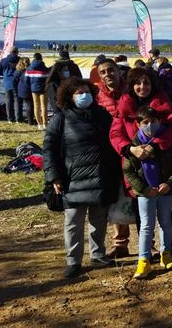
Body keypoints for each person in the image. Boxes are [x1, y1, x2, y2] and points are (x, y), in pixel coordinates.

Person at [43, 78, 120, 278]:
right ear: (69, 96)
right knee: (73, 222)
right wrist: (54, 176)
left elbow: (114, 141)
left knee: (99, 219)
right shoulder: (60, 119)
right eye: (78, 92)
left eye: (87, 91)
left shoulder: (102, 115)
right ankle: (73, 261)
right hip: (72, 179)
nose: (84, 95)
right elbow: (49, 149)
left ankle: (98, 254)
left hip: (100, 176)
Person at [110, 67, 172, 260]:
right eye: (138, 83)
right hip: (136, 166)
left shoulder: (163, 103)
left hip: (162, 168)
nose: (142, 86)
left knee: (164, 217)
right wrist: (129, 149)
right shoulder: (124, 106)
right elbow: (116, 133)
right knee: (142, 214)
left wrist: (158, 145)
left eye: (146, 83)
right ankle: (146, 250)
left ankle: (167, 251)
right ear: (131, 85)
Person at [123, 106, 172, 279]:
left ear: (159, 122)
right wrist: (143, 189)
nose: (150, 125)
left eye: (154, 121)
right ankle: (144, 260)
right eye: (145, 122)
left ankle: (166, 254)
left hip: (164, 191)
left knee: (166, 223)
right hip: (145, 194)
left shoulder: (167, 142)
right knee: (146, 226)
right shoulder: (134, 145)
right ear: (138, 124)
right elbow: (128, 171)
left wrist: (169, 184)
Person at [94, 59, 131, 258]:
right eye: (103, 72)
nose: (108, 74)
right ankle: (120, 244)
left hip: (132, 154)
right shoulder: (97, 96)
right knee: (116, 200)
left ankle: (148, 241)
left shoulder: (130, 91)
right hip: (109, 155)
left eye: (110, 70)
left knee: (137, 197)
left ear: (118, 71)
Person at [27, 53, 50, 129]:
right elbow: (48, 78)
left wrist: (31, 86)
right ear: (41, 58)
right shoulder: (44, 68)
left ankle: (39, 124)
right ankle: (45, 123)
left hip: (34, 89)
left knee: (36, 106)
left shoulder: (29, 68)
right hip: (43, 89)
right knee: (44, 106)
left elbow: (26, 80)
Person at [0, 47, 20, 122]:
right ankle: (18, 118)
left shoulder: (3, 61)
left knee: (8, 101)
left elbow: (0, 72)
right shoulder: (20, 60)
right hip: (18, 82)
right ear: (17, 52)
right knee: (17, 101)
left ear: (9, 52)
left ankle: (10, 119)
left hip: (7, 82)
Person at [15, 57, 34, 125]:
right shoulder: (31, 70)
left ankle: (18, 119)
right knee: (29, 105)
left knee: (19, 105)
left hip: (20, 89)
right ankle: (30, 120)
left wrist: (15, 90)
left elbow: (14, 80)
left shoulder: (18, 71)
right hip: (28, 89)